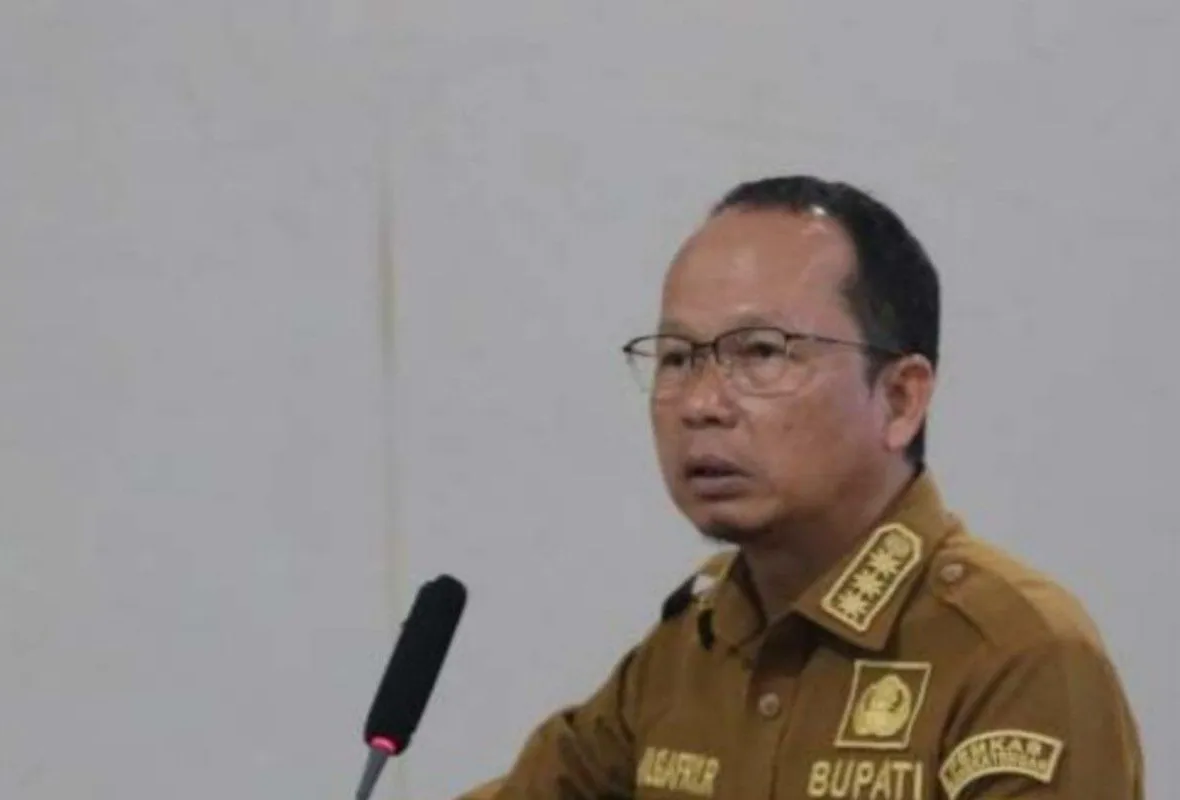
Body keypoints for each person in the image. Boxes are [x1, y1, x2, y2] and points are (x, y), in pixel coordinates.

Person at [456, 176, 1143, 799]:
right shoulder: (690, 649)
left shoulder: (1014, 654)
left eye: (761, 352)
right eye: (677, 358)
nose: (701, 403)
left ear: (900, 399)